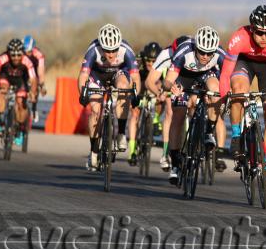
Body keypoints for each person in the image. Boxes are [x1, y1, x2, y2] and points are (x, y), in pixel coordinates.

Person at [219, 5, 266, 191]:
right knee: (238, 90)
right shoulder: (239, 37)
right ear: (252, 29)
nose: (264, 37)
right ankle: (236, 136)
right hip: (245, 63)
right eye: (259, 32)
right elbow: (226, 73)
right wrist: (224, 97)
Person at [155, 26, 227, 184]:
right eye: (202, 52)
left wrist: (218, 97)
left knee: (215, 91)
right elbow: (168, 80)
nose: (206, 56)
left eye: (210, 53)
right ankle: (175, 163)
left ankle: (208, 132)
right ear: (195, 47)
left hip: (206, 76)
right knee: (178, 115)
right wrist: (170, 86)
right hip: (184, 77)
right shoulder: (184, 51)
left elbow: (226, 80)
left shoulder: (220, 54)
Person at [77, 23, 140, 172]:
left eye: (114, 50)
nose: (111, 54)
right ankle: (93, 150)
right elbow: (83, 75)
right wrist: (83, 93)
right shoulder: (93, 50)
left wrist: (135, 94)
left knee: (125, 88)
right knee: (95, 110)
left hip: (119, 74)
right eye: (107, 50)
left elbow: (135, 76)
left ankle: (121, 133)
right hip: (97, 76)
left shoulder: (127, 50)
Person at [145, 35, 192, 172]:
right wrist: (159, 93)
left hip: (189, 79)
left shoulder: (192, 52)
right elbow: (149, 81)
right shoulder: (166, 54)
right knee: (170, 111)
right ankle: (166, 153)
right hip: (170, 81)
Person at [0, 39, 38, 146]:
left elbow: (33, 79)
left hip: (21, 80)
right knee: (1, 91)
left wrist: (33, 93)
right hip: (5, 78)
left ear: (23, 53)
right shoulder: (2, 58)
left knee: (21, 102)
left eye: (18, 55)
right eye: (13, 55)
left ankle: (20, 129)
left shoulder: (27, 61)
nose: (16, 58)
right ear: (8, 53)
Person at [127, 41, 162, 166]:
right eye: (149, 61)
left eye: (154, 62)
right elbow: (132, 81)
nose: (151, 64)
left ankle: (156, 119)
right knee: (135, 114)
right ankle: (132, 151)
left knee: (160, 90)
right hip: (140, 81)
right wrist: (133, 95)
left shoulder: (162, 62)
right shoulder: (139, 61)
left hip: (155, 81)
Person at [23, 35, 47, 122]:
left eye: (29, 52)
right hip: (24, 71)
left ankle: (34, 107)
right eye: (25, 51)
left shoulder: (38, 55)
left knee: (35, 83)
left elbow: (40, 71)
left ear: (33, 49)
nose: (27, 54)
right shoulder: (21, 53)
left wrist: (42, 85)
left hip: (35, 71)